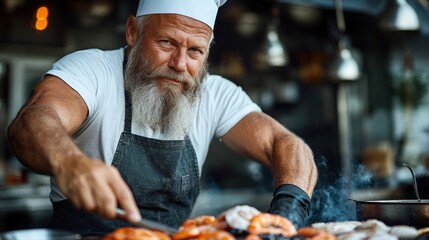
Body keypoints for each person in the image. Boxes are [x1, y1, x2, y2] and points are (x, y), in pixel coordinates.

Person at [7, 0, 317, 235]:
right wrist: (68, 161)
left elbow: (285, 144)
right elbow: (33, 120)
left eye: (195, 51)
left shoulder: (215, 94)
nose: (180, 64)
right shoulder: (93, 71)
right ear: (133, 32)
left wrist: (288, 212)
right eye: (166, 43)